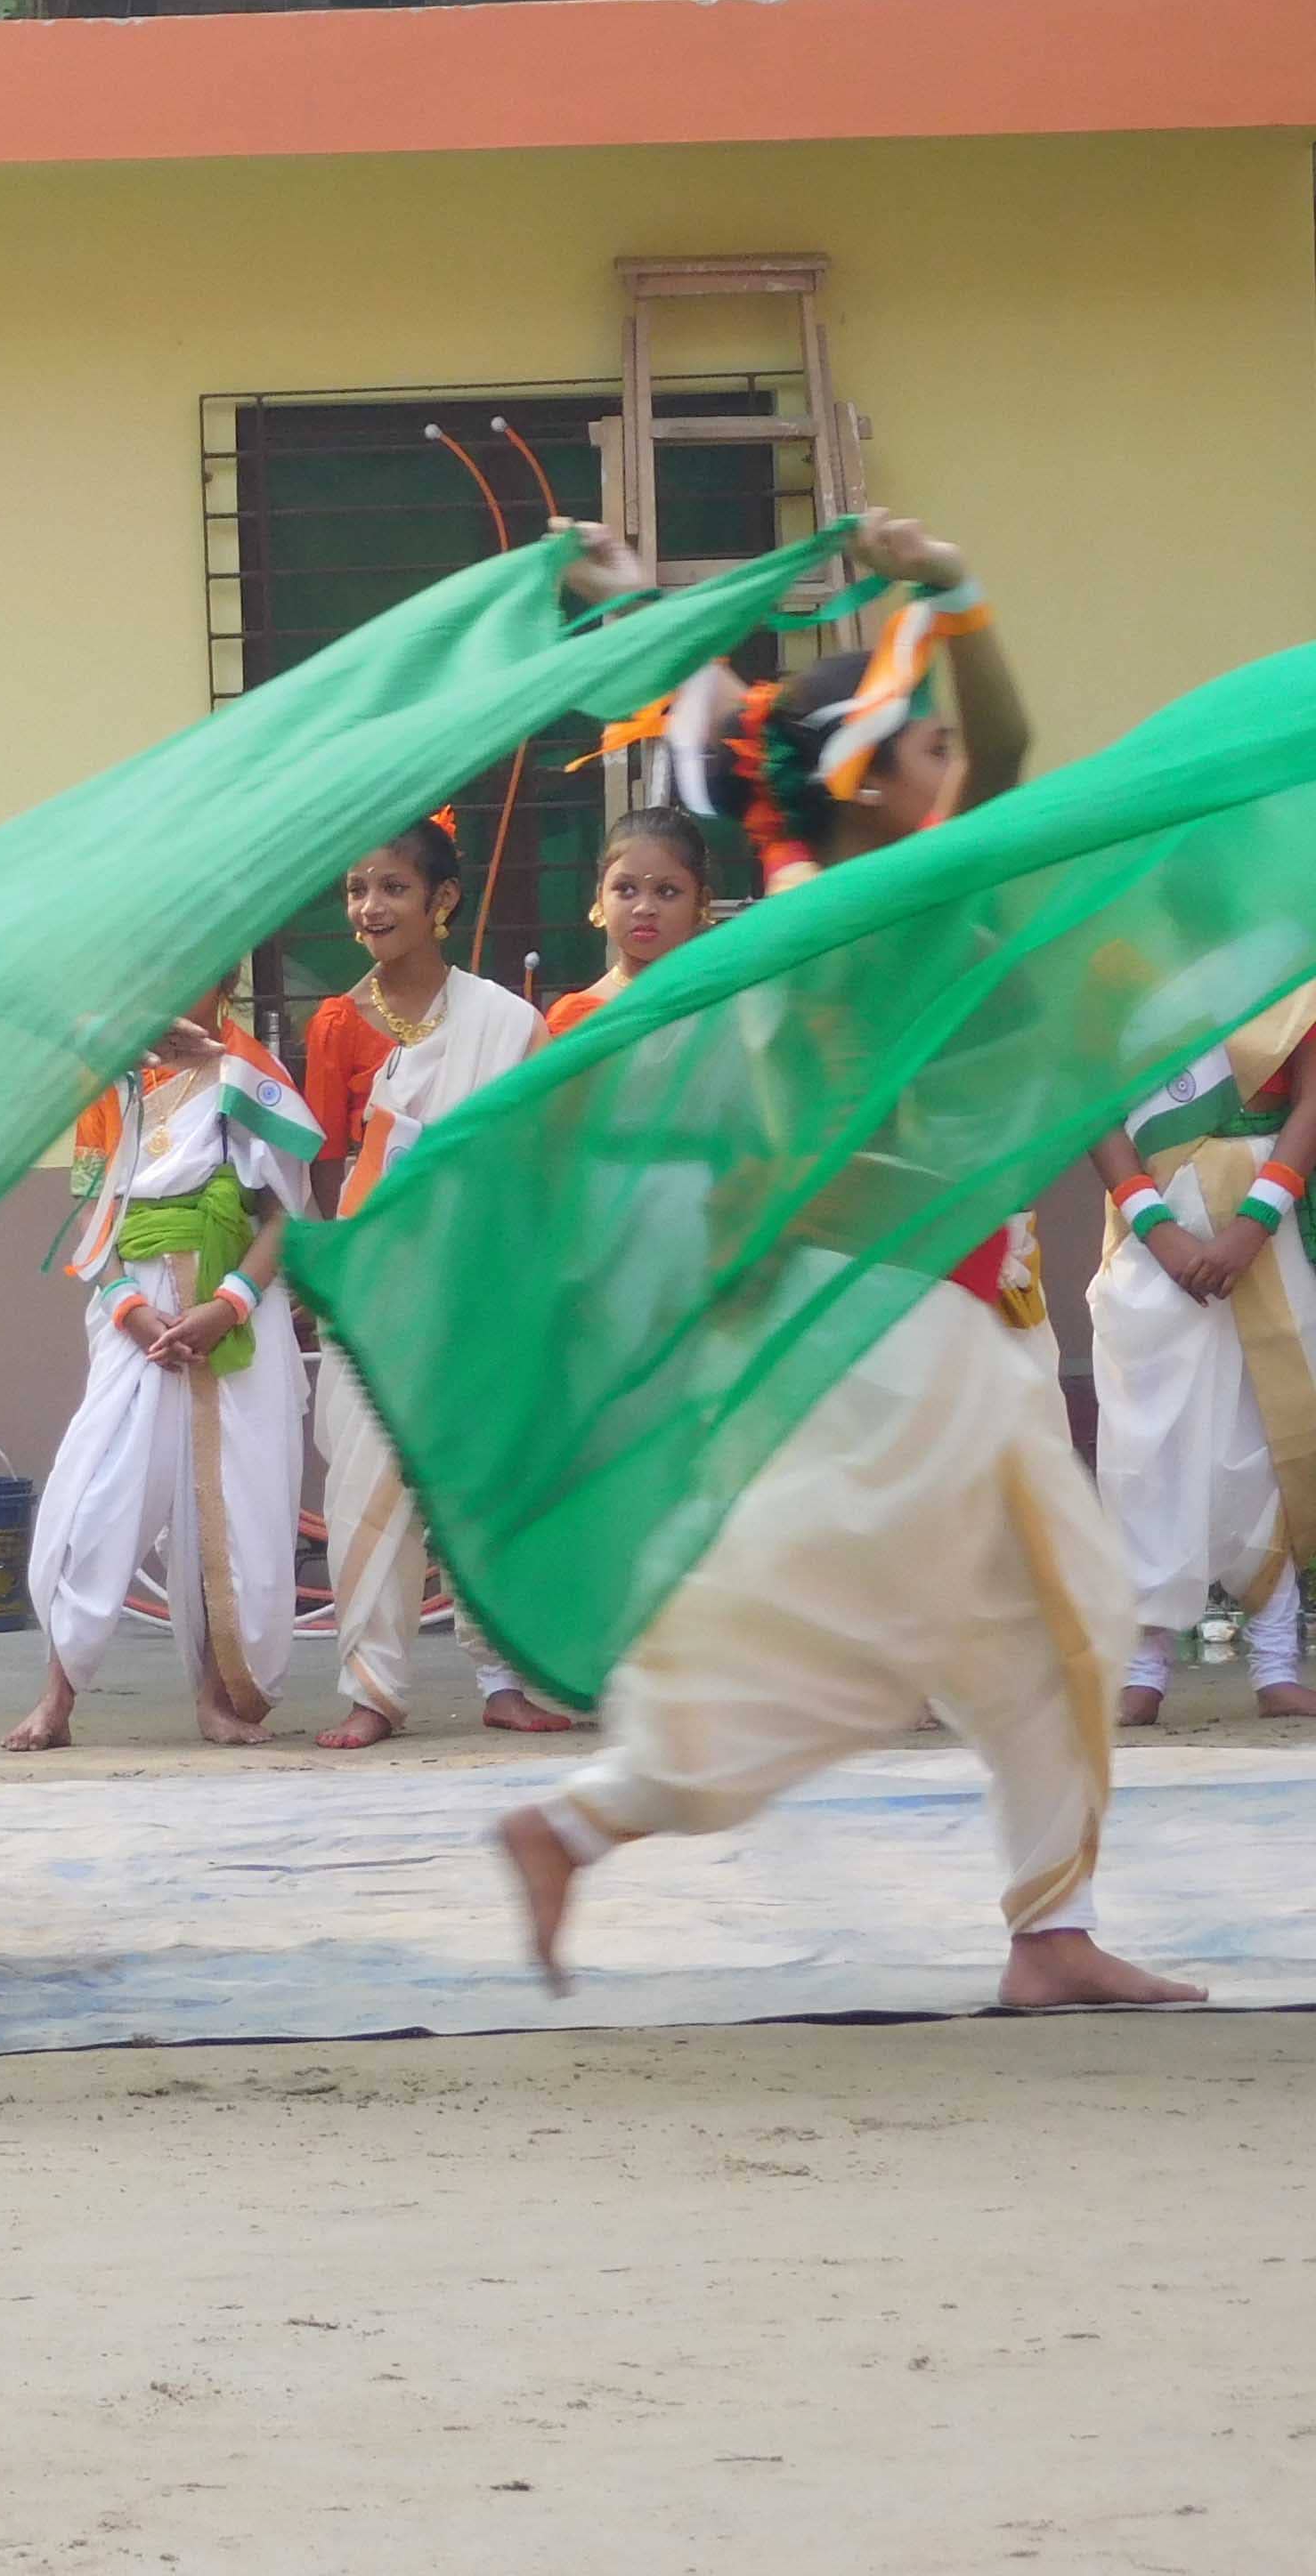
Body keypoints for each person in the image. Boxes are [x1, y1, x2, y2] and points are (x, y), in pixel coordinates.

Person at [500, 514, 1200, 2009]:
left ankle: (1046, 1933)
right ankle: (579, 1820)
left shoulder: (817, 888)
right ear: (864, 780)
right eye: (923, 747)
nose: (954, 764)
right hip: (889, 1323)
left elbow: (727, 734)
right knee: (853, 1634)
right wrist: (944, 588)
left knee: (1043, 1618)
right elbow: (998, 743)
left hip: (908, 1311)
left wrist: (647, 603)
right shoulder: (881, 902)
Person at [303, 811, 561, 1746]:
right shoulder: (335, 1024)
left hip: (482, 1285)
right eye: (357, 889)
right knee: (369, 1482)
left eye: (393, 888)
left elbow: (538, 1159)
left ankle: (505, 1677)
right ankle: (373, 1689)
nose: (370, 907)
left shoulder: (508, 1023)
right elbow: (325, 1169)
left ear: (443, 901)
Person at [7, 983, 317, 1754]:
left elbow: (283, 1215)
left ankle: (220, 1697)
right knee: (97, 1490)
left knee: (236, 1509)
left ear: (229, 977)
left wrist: (228, 1306)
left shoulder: (253, 1075)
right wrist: (129, 1307)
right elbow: (92, 1207)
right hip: (134, 1311)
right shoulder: (111, 1076)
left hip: (233, 1305)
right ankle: (57, 1696)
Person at [1085, 998, 1316, 1726]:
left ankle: (1277, 1660)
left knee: (1266, 1429)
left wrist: (1253, 1223)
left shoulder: (1289, 967)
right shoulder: (1112, 969)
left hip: (1268, 1222)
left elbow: (1311, 1098)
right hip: (1151, 1225)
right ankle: (1142, 1665)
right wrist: (1159, 1231)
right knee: (1145, 1441)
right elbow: (1096, 1108)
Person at [540, 804, 711, 1038]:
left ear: (700, 901)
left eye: (667, 891)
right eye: (626, 889)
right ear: (600, 897)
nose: (644, 908)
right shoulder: (575, 1022)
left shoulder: (724, 1007)